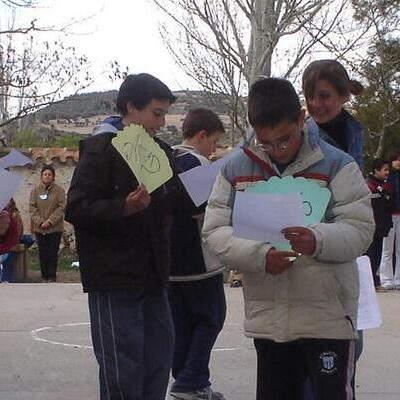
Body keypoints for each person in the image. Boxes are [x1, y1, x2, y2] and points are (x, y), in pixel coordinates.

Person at [202, 77, 374, 400]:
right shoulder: (235, 168)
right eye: (266, 143)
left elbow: (361, 229)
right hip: (270, 323)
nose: (277, 150)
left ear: (300, 119)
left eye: (285, 140)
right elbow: (214, 231)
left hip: (328, 319)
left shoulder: (337, 165)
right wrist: (259, 255)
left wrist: (317, 239)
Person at [65, 73, 196, 400]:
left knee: (158, 359)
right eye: (156, 113)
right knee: (122, 370)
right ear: (130, 108)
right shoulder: (100, 148)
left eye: (165, 113)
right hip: (114, 278)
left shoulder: (160, 151)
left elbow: (178, 198)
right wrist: (123, 207)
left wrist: (212, 189)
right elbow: (77, 208)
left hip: (153, 275)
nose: (162, 122)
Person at [302, 59, 366, 398]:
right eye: (310, 95)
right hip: (309, 247)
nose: (315, 104)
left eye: (324, 95)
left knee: (352, 347)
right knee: (318, 356)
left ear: (343, 95)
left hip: (345, 247)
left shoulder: (355, 131)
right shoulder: (302, 135)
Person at [168, 108, 226, 400]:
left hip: (169, 263)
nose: (214, 149)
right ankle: (190, 381)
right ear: (201, 135)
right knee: (211, 317)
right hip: (199, 260)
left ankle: (185, 379)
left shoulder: (165, 159)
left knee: (181, 324)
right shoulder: (200, 164)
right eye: (214, 141)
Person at [30, 165, 65, 282]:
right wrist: (40, 222)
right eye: (45, 174)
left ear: (53, 177)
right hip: (40, 228)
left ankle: (52, 275)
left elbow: (61, 208)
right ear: (41, 177)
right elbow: (32, 208)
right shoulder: (35, 191)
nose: (47, 176)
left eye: (49, 174)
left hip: (55, 228)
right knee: (43, 252)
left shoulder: (59, 191)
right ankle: (44, 275)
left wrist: (50, 221)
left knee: (52, 252)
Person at [365, 159, 393, 291]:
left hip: (382, 227)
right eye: (385, 170)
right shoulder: (369, 185)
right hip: (371, 226)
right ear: (376, 170)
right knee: (369, 255)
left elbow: (389, 206)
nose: (387, 172)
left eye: (388, 170)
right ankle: (368, 282)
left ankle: (375, 282)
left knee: (378, 254)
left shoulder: (386, 186)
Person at [379, 152, 400, 289]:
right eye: (397, 160)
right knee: (387, 249)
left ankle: (398, 279)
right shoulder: (388, 179)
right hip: (390, 216)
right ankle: (386, 279)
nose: (398, 162)